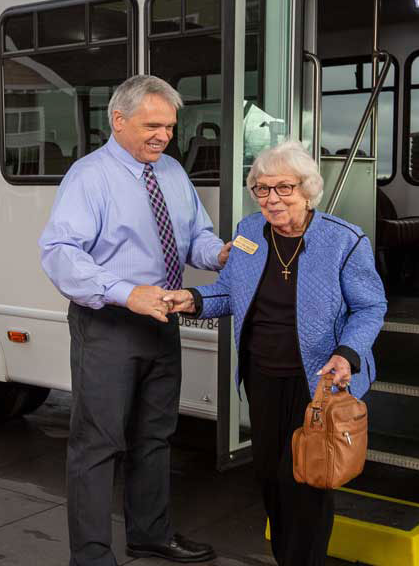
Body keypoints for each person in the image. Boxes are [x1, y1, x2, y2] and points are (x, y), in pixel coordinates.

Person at [39, 75, 231, 566]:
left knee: (156, 435)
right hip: (108, 326)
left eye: (169, 126)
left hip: (162, 322)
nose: (163, 136)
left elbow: (196, 238)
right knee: (98, 444)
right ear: (118, 120)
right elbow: (60, 253)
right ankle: (92, 557)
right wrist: (128, 293)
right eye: (152, 125)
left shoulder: (170, 172)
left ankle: (149, 533)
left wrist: (222, 254)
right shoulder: (89, 176)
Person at [165, 140, 387, 566]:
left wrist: (348, 353)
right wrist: (191, 298)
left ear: (307, 190)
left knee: (308, 479)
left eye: (284, 188)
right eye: (262, 189)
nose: (272, 199)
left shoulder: (344, 240)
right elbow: (230, 292)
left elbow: (370, 306)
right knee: (270, 475)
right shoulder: (249, 233)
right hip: (263, 375)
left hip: (321, 380)